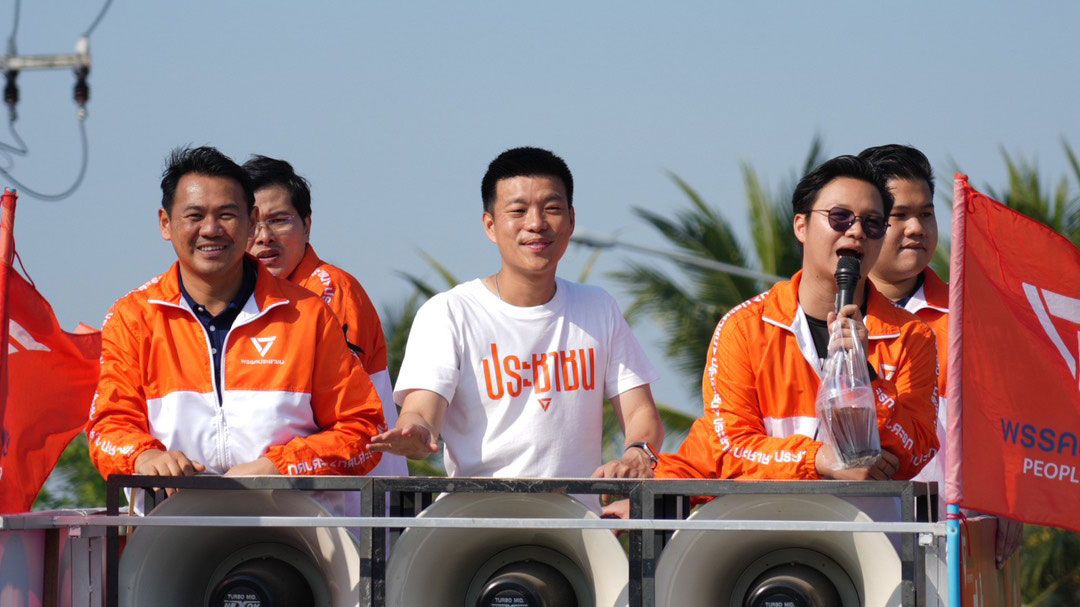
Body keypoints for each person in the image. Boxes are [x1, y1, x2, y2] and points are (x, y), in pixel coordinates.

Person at [86, 146, 385, 516]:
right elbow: (108, 427)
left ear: (250, 221)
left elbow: (363, 429)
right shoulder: (132, 317)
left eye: (226, 214)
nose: (210, 229)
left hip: (297, 535)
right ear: (165, 223)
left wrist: (278, 468)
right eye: (194, 215)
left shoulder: (308, 315)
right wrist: (143, 456)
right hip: (169, 536)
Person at [370, 147, 664, 509]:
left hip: (575, 523)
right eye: (518, 211)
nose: (536, 223)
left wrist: (638, 452)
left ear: (571, 220)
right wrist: (416, 432)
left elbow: (640, 412)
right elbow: (422, 412)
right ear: (490, 226)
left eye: (551, 208)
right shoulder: (449, 312)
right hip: (476, 518)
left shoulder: (598, 307)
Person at [648, 155, 940, 486]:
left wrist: (866, 376)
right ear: (801, 226)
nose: (857, 231)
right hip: (769, 518)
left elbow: (917, 451)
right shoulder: (745, 328)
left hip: (869, 519)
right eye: (840, 217)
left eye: (873, 223)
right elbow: (728, 448)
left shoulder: (912, 336)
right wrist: (820, 460)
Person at [861, 143, 1022, 567]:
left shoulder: (972, 318)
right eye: (899, 215)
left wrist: (1010, 497)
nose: (917, 228)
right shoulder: (821, 317)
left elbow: (1005, 423)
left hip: (952, 543)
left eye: (927, 213)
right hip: (849, 539)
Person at [244, 154, 407, 478]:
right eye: (251, 224)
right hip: (274, 489)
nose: (264, 236)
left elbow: (345, 420)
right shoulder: (242, 299)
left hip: (352, 494)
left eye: (279, 220)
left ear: (307, 225)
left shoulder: (332, 291)